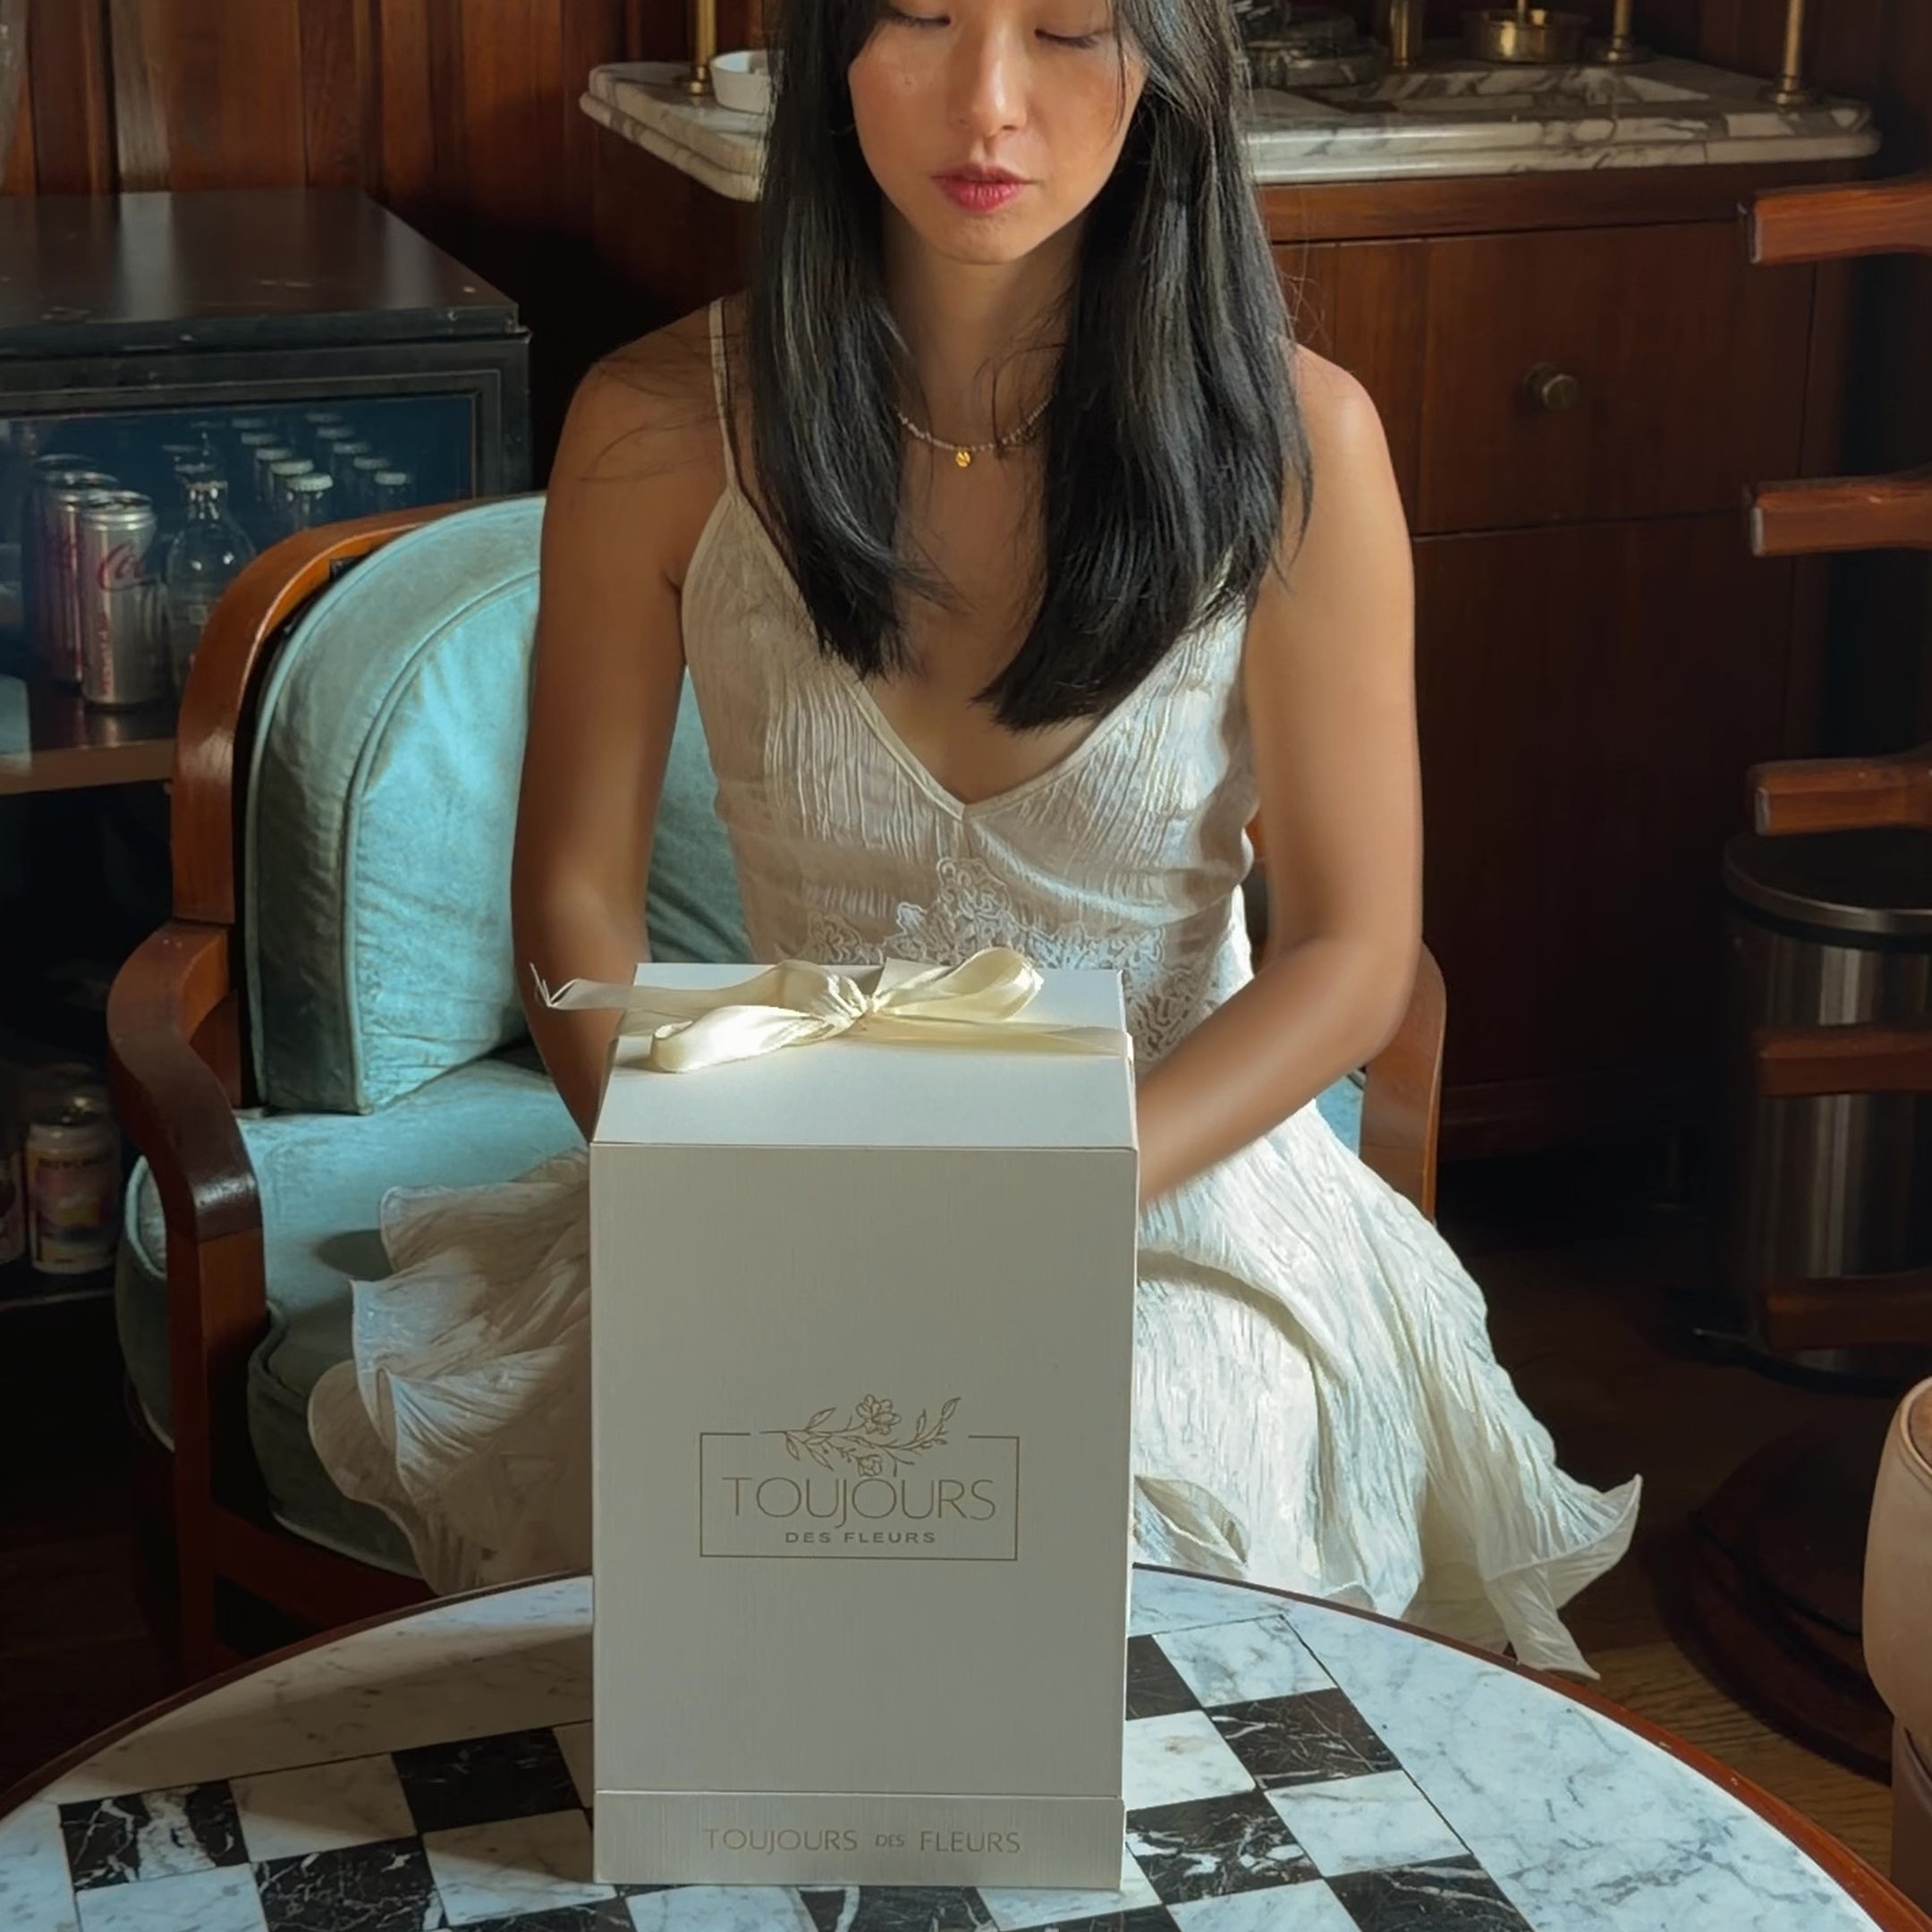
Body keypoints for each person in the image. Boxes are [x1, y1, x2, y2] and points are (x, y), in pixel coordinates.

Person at [309, 0, 1638, 1671]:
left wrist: (1042, 1204)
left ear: (1166, 64)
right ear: (829, 51)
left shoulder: (1303, 451)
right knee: (743, 1629)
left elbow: (1356, 953)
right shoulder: (655, 425)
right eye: (922, 18)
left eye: (1071, 29)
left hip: (1173, 1197)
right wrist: (688, 1181)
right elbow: (575, 892)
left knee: (1113, 1564)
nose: (988, 103)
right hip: (780, 1172)